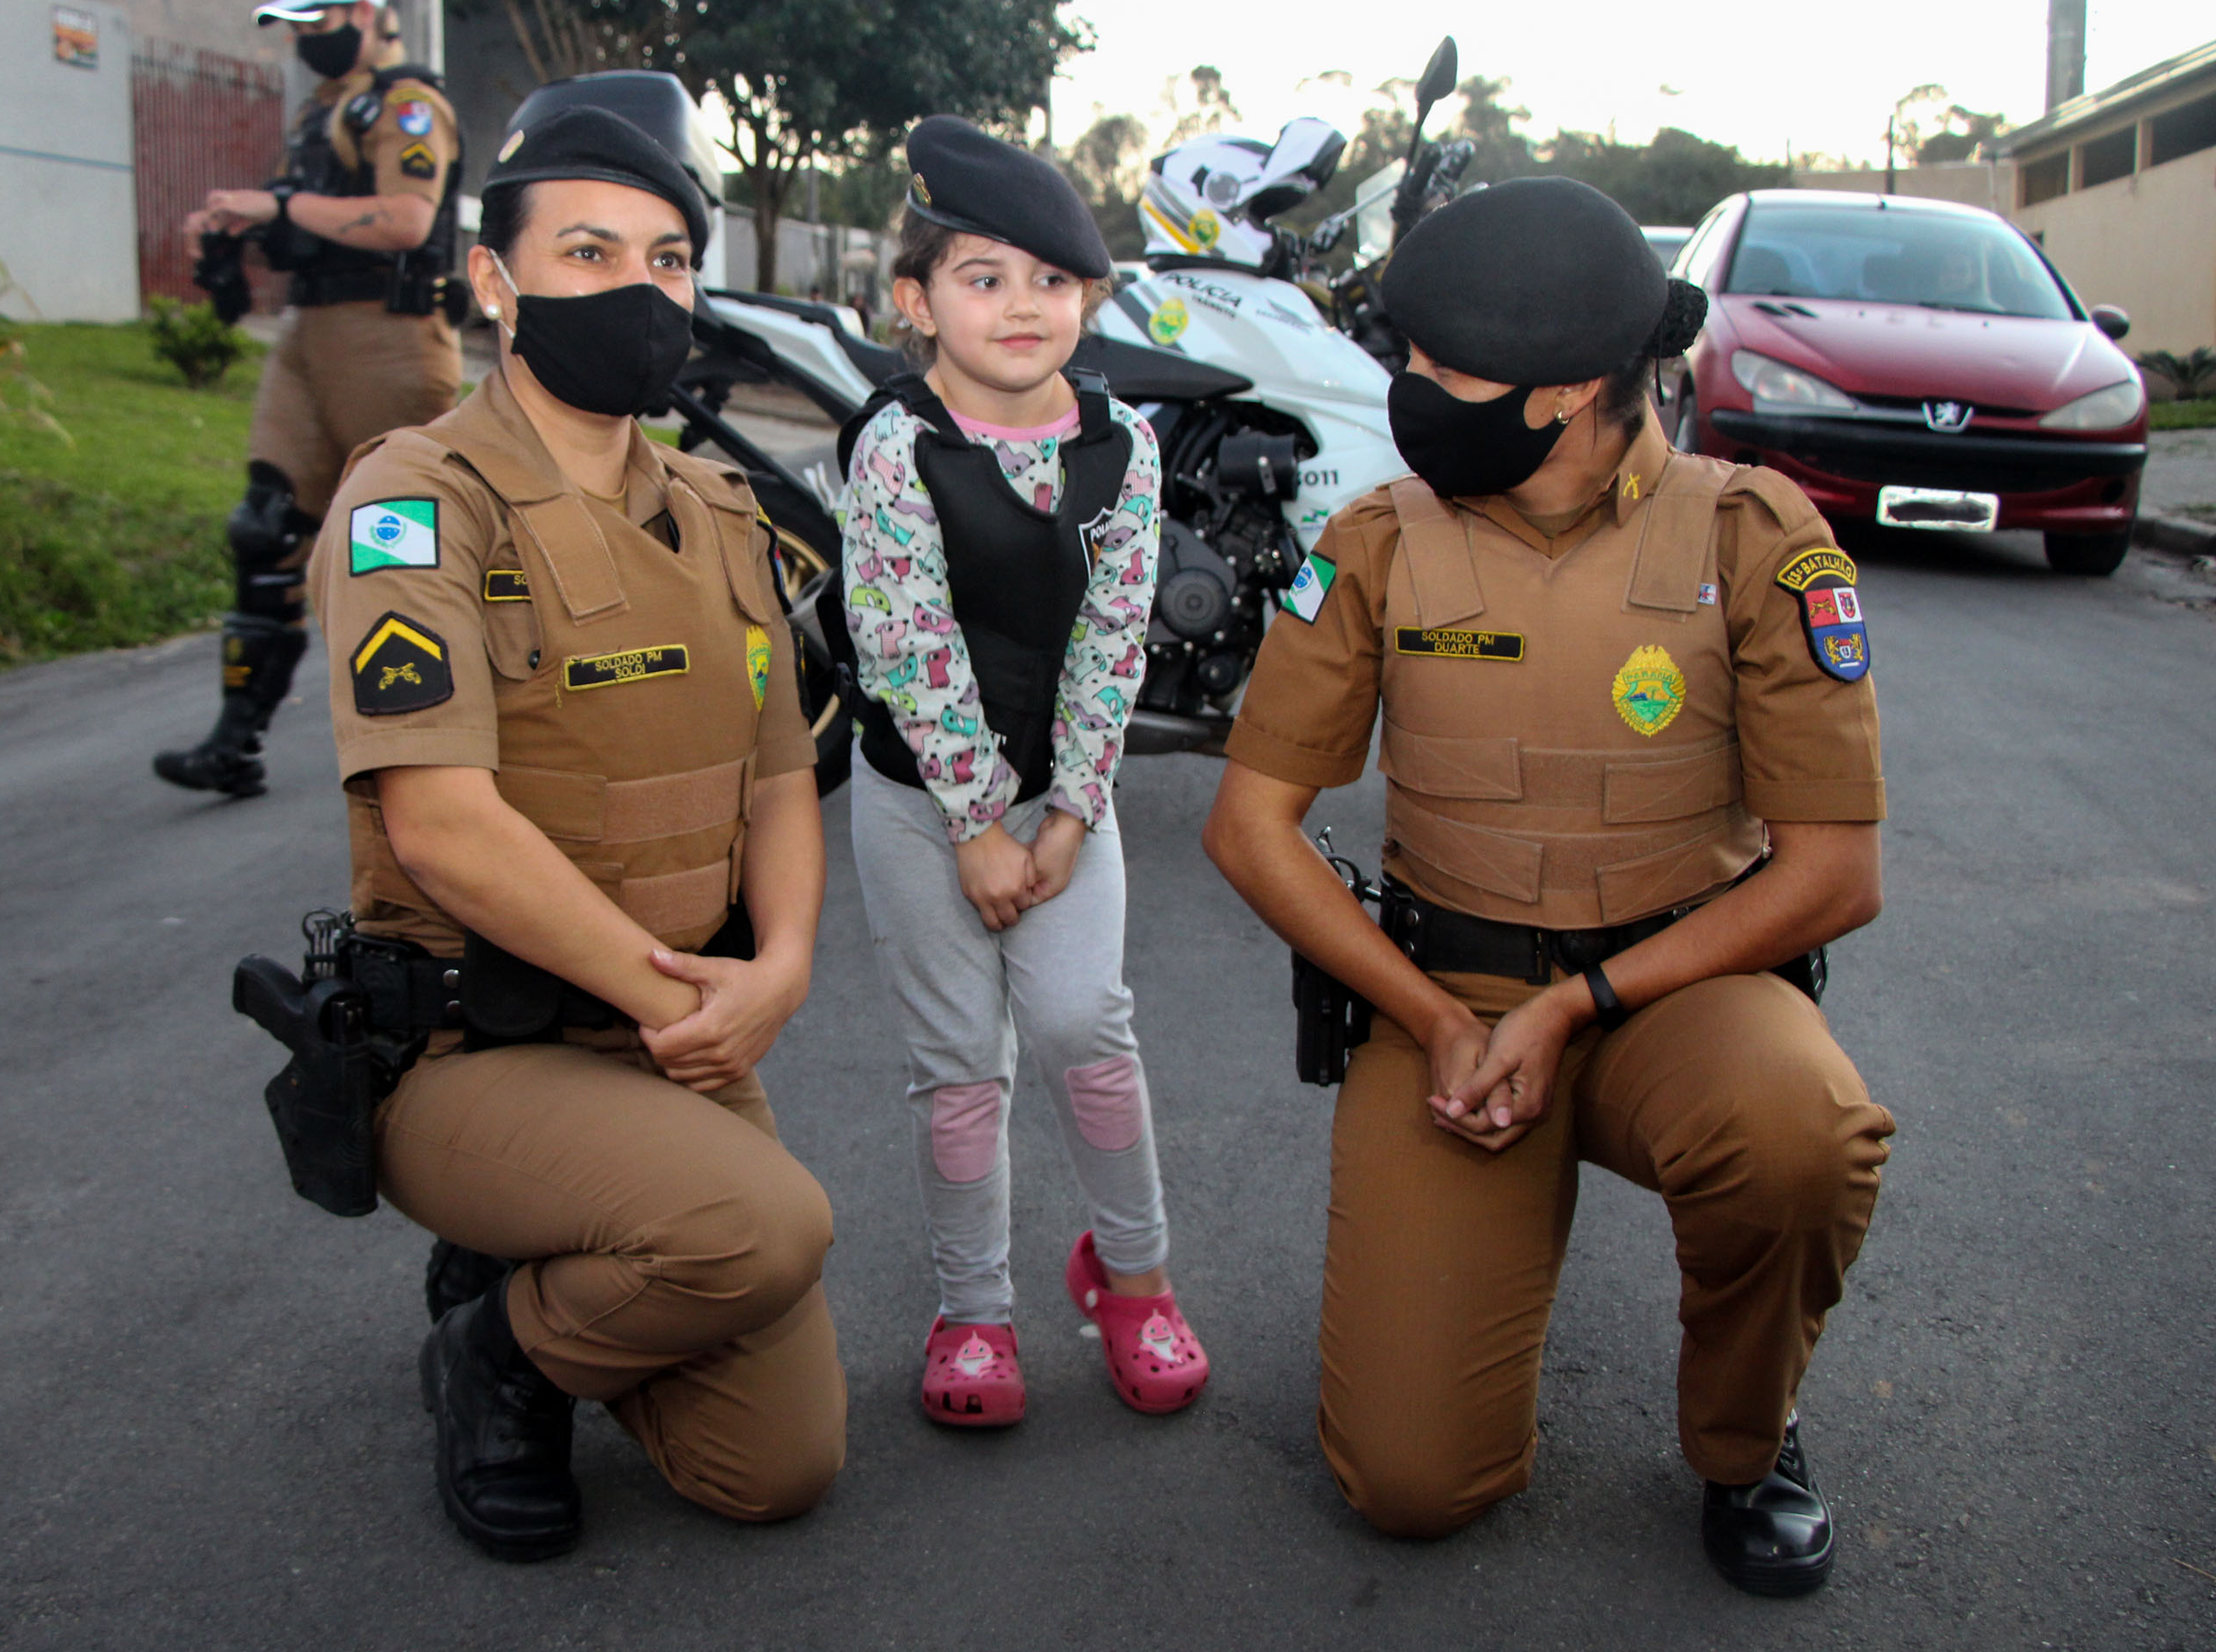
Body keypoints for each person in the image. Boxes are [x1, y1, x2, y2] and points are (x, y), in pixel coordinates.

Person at [1201, 177, 1895, 1595]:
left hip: (1679, 995)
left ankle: (1748, 1432)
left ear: (1571, 388)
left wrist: (1581, 1005)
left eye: (1440, 369)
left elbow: (1835, 870)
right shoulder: (1374, 543)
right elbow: (1251, 827)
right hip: (1443, 998)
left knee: (1804, 1136)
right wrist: (1442, 1019)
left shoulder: (1755, 539)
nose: (1407, 391)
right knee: (1406, 1485)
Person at [308, 105, 845, 1559]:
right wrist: (675, 994)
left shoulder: (721, 510)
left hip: (676, 1035)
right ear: (495, 281)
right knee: (763, 1230)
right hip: (486, 1048)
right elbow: (441, 827)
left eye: (668, 258)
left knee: (775, 1470)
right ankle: (494, 1357)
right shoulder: (417, 500)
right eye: (589, 249)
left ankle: (550, 1279)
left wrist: (781, 966)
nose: (637, 286)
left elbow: (780, 775)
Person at [836, 116, 1206, 1429]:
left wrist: (1071, 813)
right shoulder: (895, 446)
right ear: (915, 299)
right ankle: (976, 1312)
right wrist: (979, 828)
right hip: (917, 801)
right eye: (981, 276)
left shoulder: (1123, 445)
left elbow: (1117, 637)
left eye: (1051, 279)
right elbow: (906, 640)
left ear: (1088, 298)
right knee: (960, 1065)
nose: (1021, 305)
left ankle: (1134, 1277)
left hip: (1063, 803)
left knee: (1078, 1027)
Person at [154, 0, 465, 797]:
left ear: (363, 15)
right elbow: (307, 220)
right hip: (308, 336)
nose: (302, 39)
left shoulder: (406, 106)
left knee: (396, 542)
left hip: (389, 336)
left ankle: (433, 735)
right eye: (291, 25)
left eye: (315, 21)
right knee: (264, 527)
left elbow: (407, 219)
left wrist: (281, 205)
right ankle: (235, 741)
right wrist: (236, 231)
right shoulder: (317, 117)